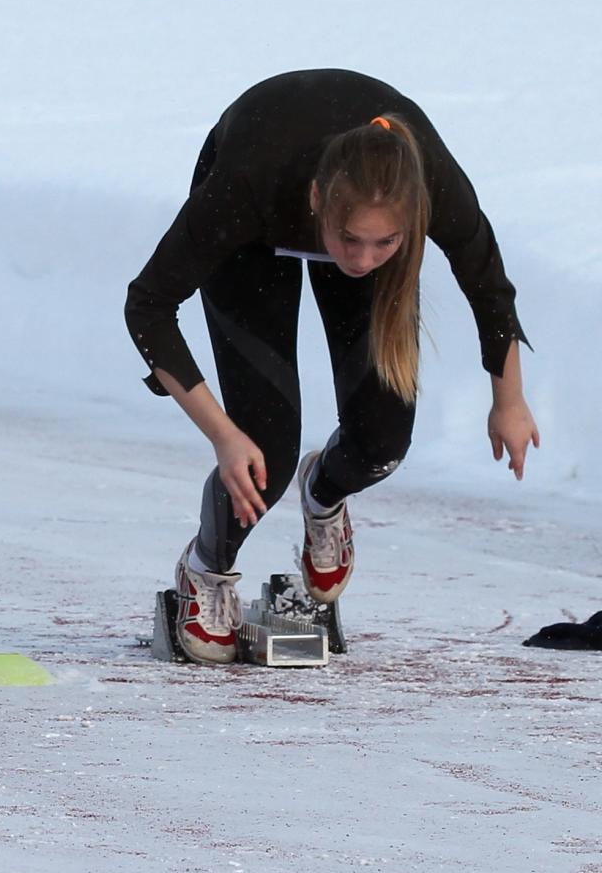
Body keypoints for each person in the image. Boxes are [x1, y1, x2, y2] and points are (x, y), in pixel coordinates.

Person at [126, 68, 538, 664]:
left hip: (343, 199)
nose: (363, 261)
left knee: (382, 442)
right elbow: (148, 305)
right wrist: (223, 434)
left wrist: (509, 400)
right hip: (254, 226)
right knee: (263, 455)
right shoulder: (246, 187)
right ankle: (206, 569)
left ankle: (323, 494)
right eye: (350, 240)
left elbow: (490, 287)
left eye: (385, 243)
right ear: (319, 200)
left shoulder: (429, 185)